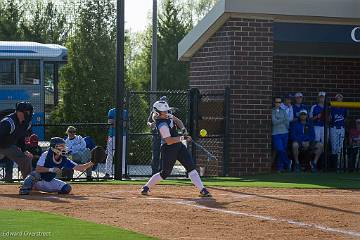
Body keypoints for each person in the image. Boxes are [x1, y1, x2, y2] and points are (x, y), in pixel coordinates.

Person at [141, 100, 211, 197]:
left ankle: (203, 190)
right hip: (168, 148)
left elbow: (178, 121)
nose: (166, 113)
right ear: (157, 113)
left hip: (178, 146)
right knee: (164, 173)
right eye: (164, 111)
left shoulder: (167, 115)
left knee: (190, 167)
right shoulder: (162, 125)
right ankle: (146, 187)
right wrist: (184, 138)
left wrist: (183, 130)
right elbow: (169, 140)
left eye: (167, 110)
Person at [19, 137, 94, 195]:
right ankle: (26, 187)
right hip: (39, 180)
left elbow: (80, 168)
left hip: (50, 181)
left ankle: (39, 189)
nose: (63, 148)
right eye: (60, 146)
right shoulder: (46, 154)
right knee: (34, 174)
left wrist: (92, 162)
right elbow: (38, 169)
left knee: (67, 188)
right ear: (54, 147)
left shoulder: (64, 159)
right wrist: (51, 169)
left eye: (63, 146)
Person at [0, 102, 33, 179]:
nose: (29, 114)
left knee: (26, 158)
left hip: (7, 146)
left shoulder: (26, 123)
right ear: (19, 112)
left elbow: (21, 137)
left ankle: (28, 182)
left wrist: (24, 150)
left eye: (30, 112)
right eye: (27, 112)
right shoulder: (8, 122)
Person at [104, 107, 128, 179]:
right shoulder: (111, 111)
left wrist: (116, 122)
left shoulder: (125, 111)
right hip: (112, 135)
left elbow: (124, 124)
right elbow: (110, 122)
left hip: (122, 135)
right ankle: (108, 173)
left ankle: (123, 173)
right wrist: (119, 122)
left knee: (123, 154)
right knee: (110, 155)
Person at [272, 97, 291, 172]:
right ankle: (288, 162)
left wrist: (279, 119)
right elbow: (274, 122)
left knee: (283, 150)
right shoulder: (272, 111)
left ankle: (280, 167)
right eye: (277, 102)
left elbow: (287, 122)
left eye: (279, 102)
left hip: (285, 132)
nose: (278, 104)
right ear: (274, 103)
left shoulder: (283, 111)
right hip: (276, 133)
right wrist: (282, 119)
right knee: (280, 149)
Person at [329, 93, 347, 170]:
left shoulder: (344, 107)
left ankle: (340, 166)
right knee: (334, 147)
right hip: (334, 128)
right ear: (335, 99)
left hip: (341, 128)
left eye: (340, 98)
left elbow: (345, 118)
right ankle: (334, 166)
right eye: (337, 98)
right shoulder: (332, 107)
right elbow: (330, 118)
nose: (339, 99)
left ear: (342, 99)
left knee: (340, 147)